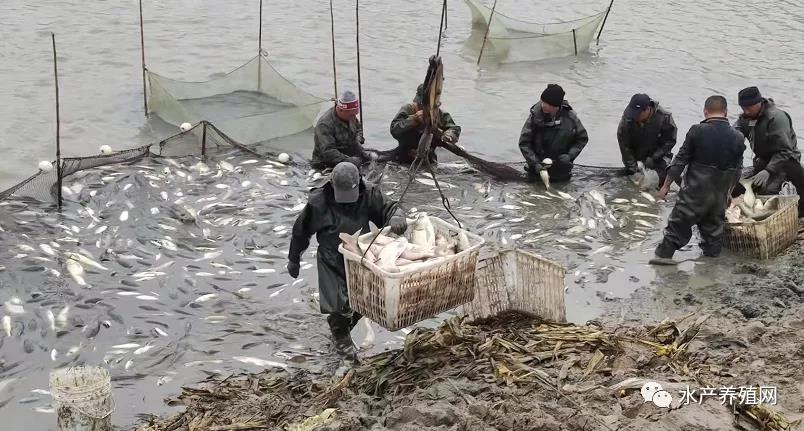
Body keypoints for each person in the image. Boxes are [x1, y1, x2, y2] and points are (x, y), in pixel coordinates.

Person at [286, 162, 407, 358]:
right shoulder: (318, 202)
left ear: (359, 182)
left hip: (361, 255)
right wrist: (294, 259)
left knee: (364, 300)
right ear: (331, 184)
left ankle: (344, 326)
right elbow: (301, 231)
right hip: (331, 258)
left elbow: (390, 208)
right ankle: (341, 340)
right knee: (336, 303)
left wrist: (397, 217)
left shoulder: (369, 193)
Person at [653, 96, 746, 263]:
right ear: (726, 113)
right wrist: (729, 193)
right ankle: (709, 269)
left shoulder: (697, 131)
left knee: (677, 228)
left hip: (695, 194)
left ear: (705, 112)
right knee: (713, 236)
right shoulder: (738, 137)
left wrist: (666, 185)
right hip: (719, 196)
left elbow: (680, 161)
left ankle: (662, 259)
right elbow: (738, 171)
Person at [734, 86, 804, 217]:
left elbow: (785, 150)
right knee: (741, 189)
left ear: (759, 103)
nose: (746, 111)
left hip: (786, 160)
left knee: (770, 192)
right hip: (763, 160)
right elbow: (734, 134)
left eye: (749, 108)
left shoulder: (777, 118)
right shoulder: (746, 118)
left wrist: (769, 170)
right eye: (743, 108)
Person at [519, 84, 589, 183]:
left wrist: (569, 156)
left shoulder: (571, 118)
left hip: (561, 170)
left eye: (548, 104)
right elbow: (524, 143)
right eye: (543, 102)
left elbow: (582, 139)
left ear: (556, 106)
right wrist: (535, 163)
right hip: (536, 170)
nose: (544, 105)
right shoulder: (535, 117)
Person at [389, 84, 461, 165]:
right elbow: (394, 129)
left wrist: (446, 134)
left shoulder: (440, 114)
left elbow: (454, 129)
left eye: (427, 105)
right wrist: (414, 119)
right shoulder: (408, 109)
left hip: (428, 156)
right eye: (422, 104)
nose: (424, 107)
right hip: (404, 154)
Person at [617, 93, 677, 185]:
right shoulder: (628, 119)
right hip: (637, 158)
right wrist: (633, 168)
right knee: (634, 181)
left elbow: (670, 141)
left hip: (659, 158)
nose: (635, 117)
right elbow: (624, 146)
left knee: (658, 182)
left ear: (648, 109)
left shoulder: (664, 118)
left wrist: (654, 157)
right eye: (633, 114)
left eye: (637, 114)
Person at [311, 90, 375, 171]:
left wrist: (359, 141)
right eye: (352, 115)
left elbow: (358, 129)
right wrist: (349, 161)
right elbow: (328, 151)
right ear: (340, 110)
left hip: (348, 156)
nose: (354, 117)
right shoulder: (324, 125)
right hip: (325, 164)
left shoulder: (351, 116)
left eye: (355, 114)